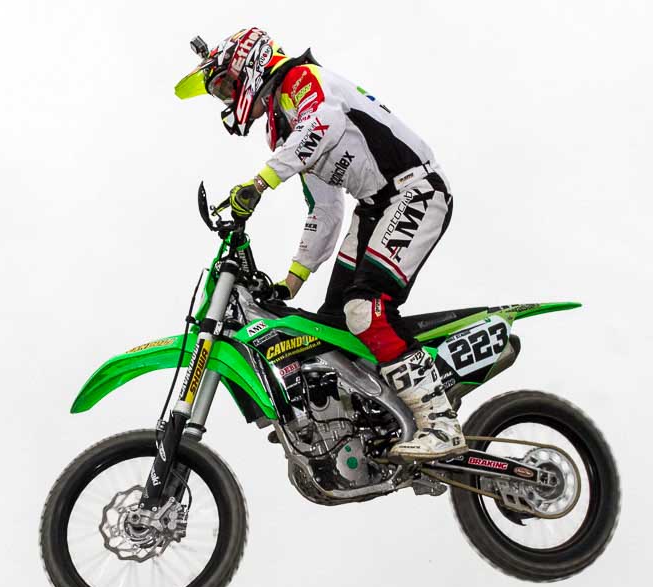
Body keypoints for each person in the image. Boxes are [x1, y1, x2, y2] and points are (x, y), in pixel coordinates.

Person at [175, 28, 465, 461]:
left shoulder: (301, 80)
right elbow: (326, 210)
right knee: (330, 330)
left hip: (415, 190)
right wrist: (290, 282)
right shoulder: (286, 130)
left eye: (226, 86)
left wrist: (260, 183)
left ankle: (440, 423)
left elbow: (324, 124)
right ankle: (370, 424)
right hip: (376, 206)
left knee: (364, 309)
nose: (227, 98)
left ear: (250, 63)